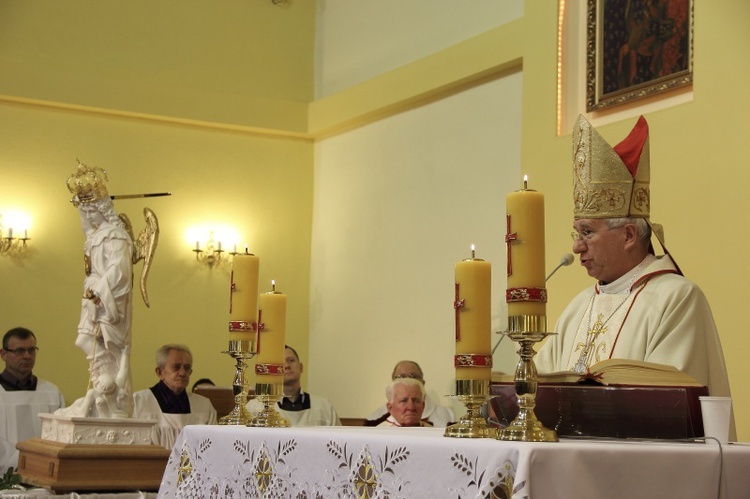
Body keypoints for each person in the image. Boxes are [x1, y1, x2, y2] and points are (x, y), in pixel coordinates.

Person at [536, 115, 732, 402]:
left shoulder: (676, 299)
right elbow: (535, 390)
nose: (577, 246)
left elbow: (667, 403)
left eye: (587, 232)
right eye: (576, 233)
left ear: (628, 235)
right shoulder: (578, 307)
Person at [65, 162, 134, 418]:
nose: (88, 216)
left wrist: (100, 292)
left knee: (108, 346)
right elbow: (86, 227)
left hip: (108, 299)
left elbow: (120, 272)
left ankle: (112, 397)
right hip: (92, 296)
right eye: (86, 211)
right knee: (84, 339)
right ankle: (100, 387)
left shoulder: (115, 235)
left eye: (92, 211)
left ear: (103, 210)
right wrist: (79, 203)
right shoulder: (95, 235)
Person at [0, 327, 65, 472]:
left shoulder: (51, 392)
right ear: (3, 354)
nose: (27, 356)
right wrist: (16, 462)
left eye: (31, 350)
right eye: (19, 351)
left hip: (43, 473)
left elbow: (60, 437)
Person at [132, 344, 217, 450]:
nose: (182, 373)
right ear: (160, 372)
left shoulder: (204, 406)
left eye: (187, 368)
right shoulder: (138, 402)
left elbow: (213, 448)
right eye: (176, 367)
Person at [246, 345, 341, 426]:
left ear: (301, 367)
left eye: (291, 360)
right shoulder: (256, 408)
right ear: (274, 371)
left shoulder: (324, 407)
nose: (287, 365)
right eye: (281, 363)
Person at [366, 360, 455, 427]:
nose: (411, 407)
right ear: (389, 407)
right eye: (400, 377)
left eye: (413, 376)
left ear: (423, 383)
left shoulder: (445, 415)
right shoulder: (376, 424)